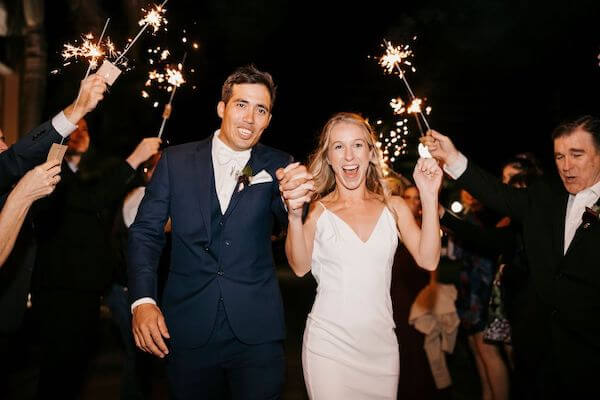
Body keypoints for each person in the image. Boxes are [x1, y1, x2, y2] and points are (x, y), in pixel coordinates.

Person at [128, 65, 312, 399]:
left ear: (269, 119)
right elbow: (145, 233)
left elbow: (292, 224)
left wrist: (295, 203)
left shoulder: (278, 164)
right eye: (241, 105)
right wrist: (142, 300)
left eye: (261, 110)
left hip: (257, 333)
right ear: (221, 108)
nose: (250, 118)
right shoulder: (176, 161)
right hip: (187, 328)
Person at [422, 116, 600, 397]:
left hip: (591, 353)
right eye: (559, 156)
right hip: (539, 348)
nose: (566, 166)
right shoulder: (546, 195)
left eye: (576, 155)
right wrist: (453, 157)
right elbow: (497, 194)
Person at [282, 112, 442, 399]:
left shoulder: (394, 207)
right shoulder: (317, 210)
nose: (348, 156)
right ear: (328, 157)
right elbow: (299, 266)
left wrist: (429, 197)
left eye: (357, 145)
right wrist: (294, 216)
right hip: (329, 346)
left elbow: (429, 259)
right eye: (338, 147)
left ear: (370, 153)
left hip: (381, 348)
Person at [32, 116, 161, 399]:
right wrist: (136, 158)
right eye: (73, 126)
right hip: (59, 290)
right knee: (57, 372)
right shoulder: (50, 170)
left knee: (77, 369)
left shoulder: (89, 172)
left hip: (88, 290)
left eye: (85, 127)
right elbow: (90, 199)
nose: (79, 132)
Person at [0, 74, 107, 195]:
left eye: (3, 140)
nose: (4, 146)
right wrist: (78, 108)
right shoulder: (49, 174)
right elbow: (14, 159)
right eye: (73, 129)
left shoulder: (91, 174)